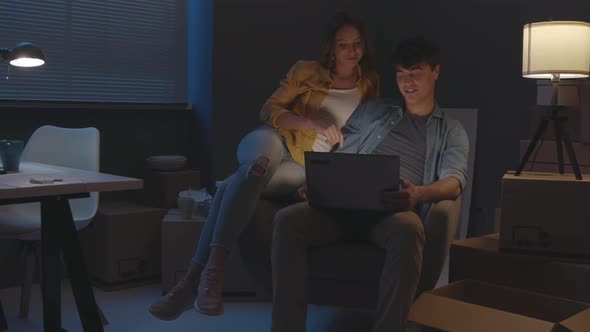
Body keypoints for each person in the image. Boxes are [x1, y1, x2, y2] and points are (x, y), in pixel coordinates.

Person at [149, 11, 379, 320]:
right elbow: (268, 110)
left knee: (236, 183)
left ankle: (194, 280)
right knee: (260, 161)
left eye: (357, 44)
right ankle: (208, 276)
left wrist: (331, 176)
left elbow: (365, 134)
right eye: (343, 45)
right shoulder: (306, 71)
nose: (352, 52)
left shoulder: (370, 84)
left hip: (303, 165)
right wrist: (310, 122)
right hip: (273, 140)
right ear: (331, 48)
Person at [271, 36, 469, 332]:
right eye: (401, 75)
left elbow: (454, 182)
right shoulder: (373, 111)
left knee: (409, 228)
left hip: (393, 212)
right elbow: (341, 155)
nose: (407, 83)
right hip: (342, 207)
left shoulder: (452, 130)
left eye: (415, 73)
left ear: (435, 72)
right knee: (287, 219)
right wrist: (320, 186)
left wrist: (417, 195)